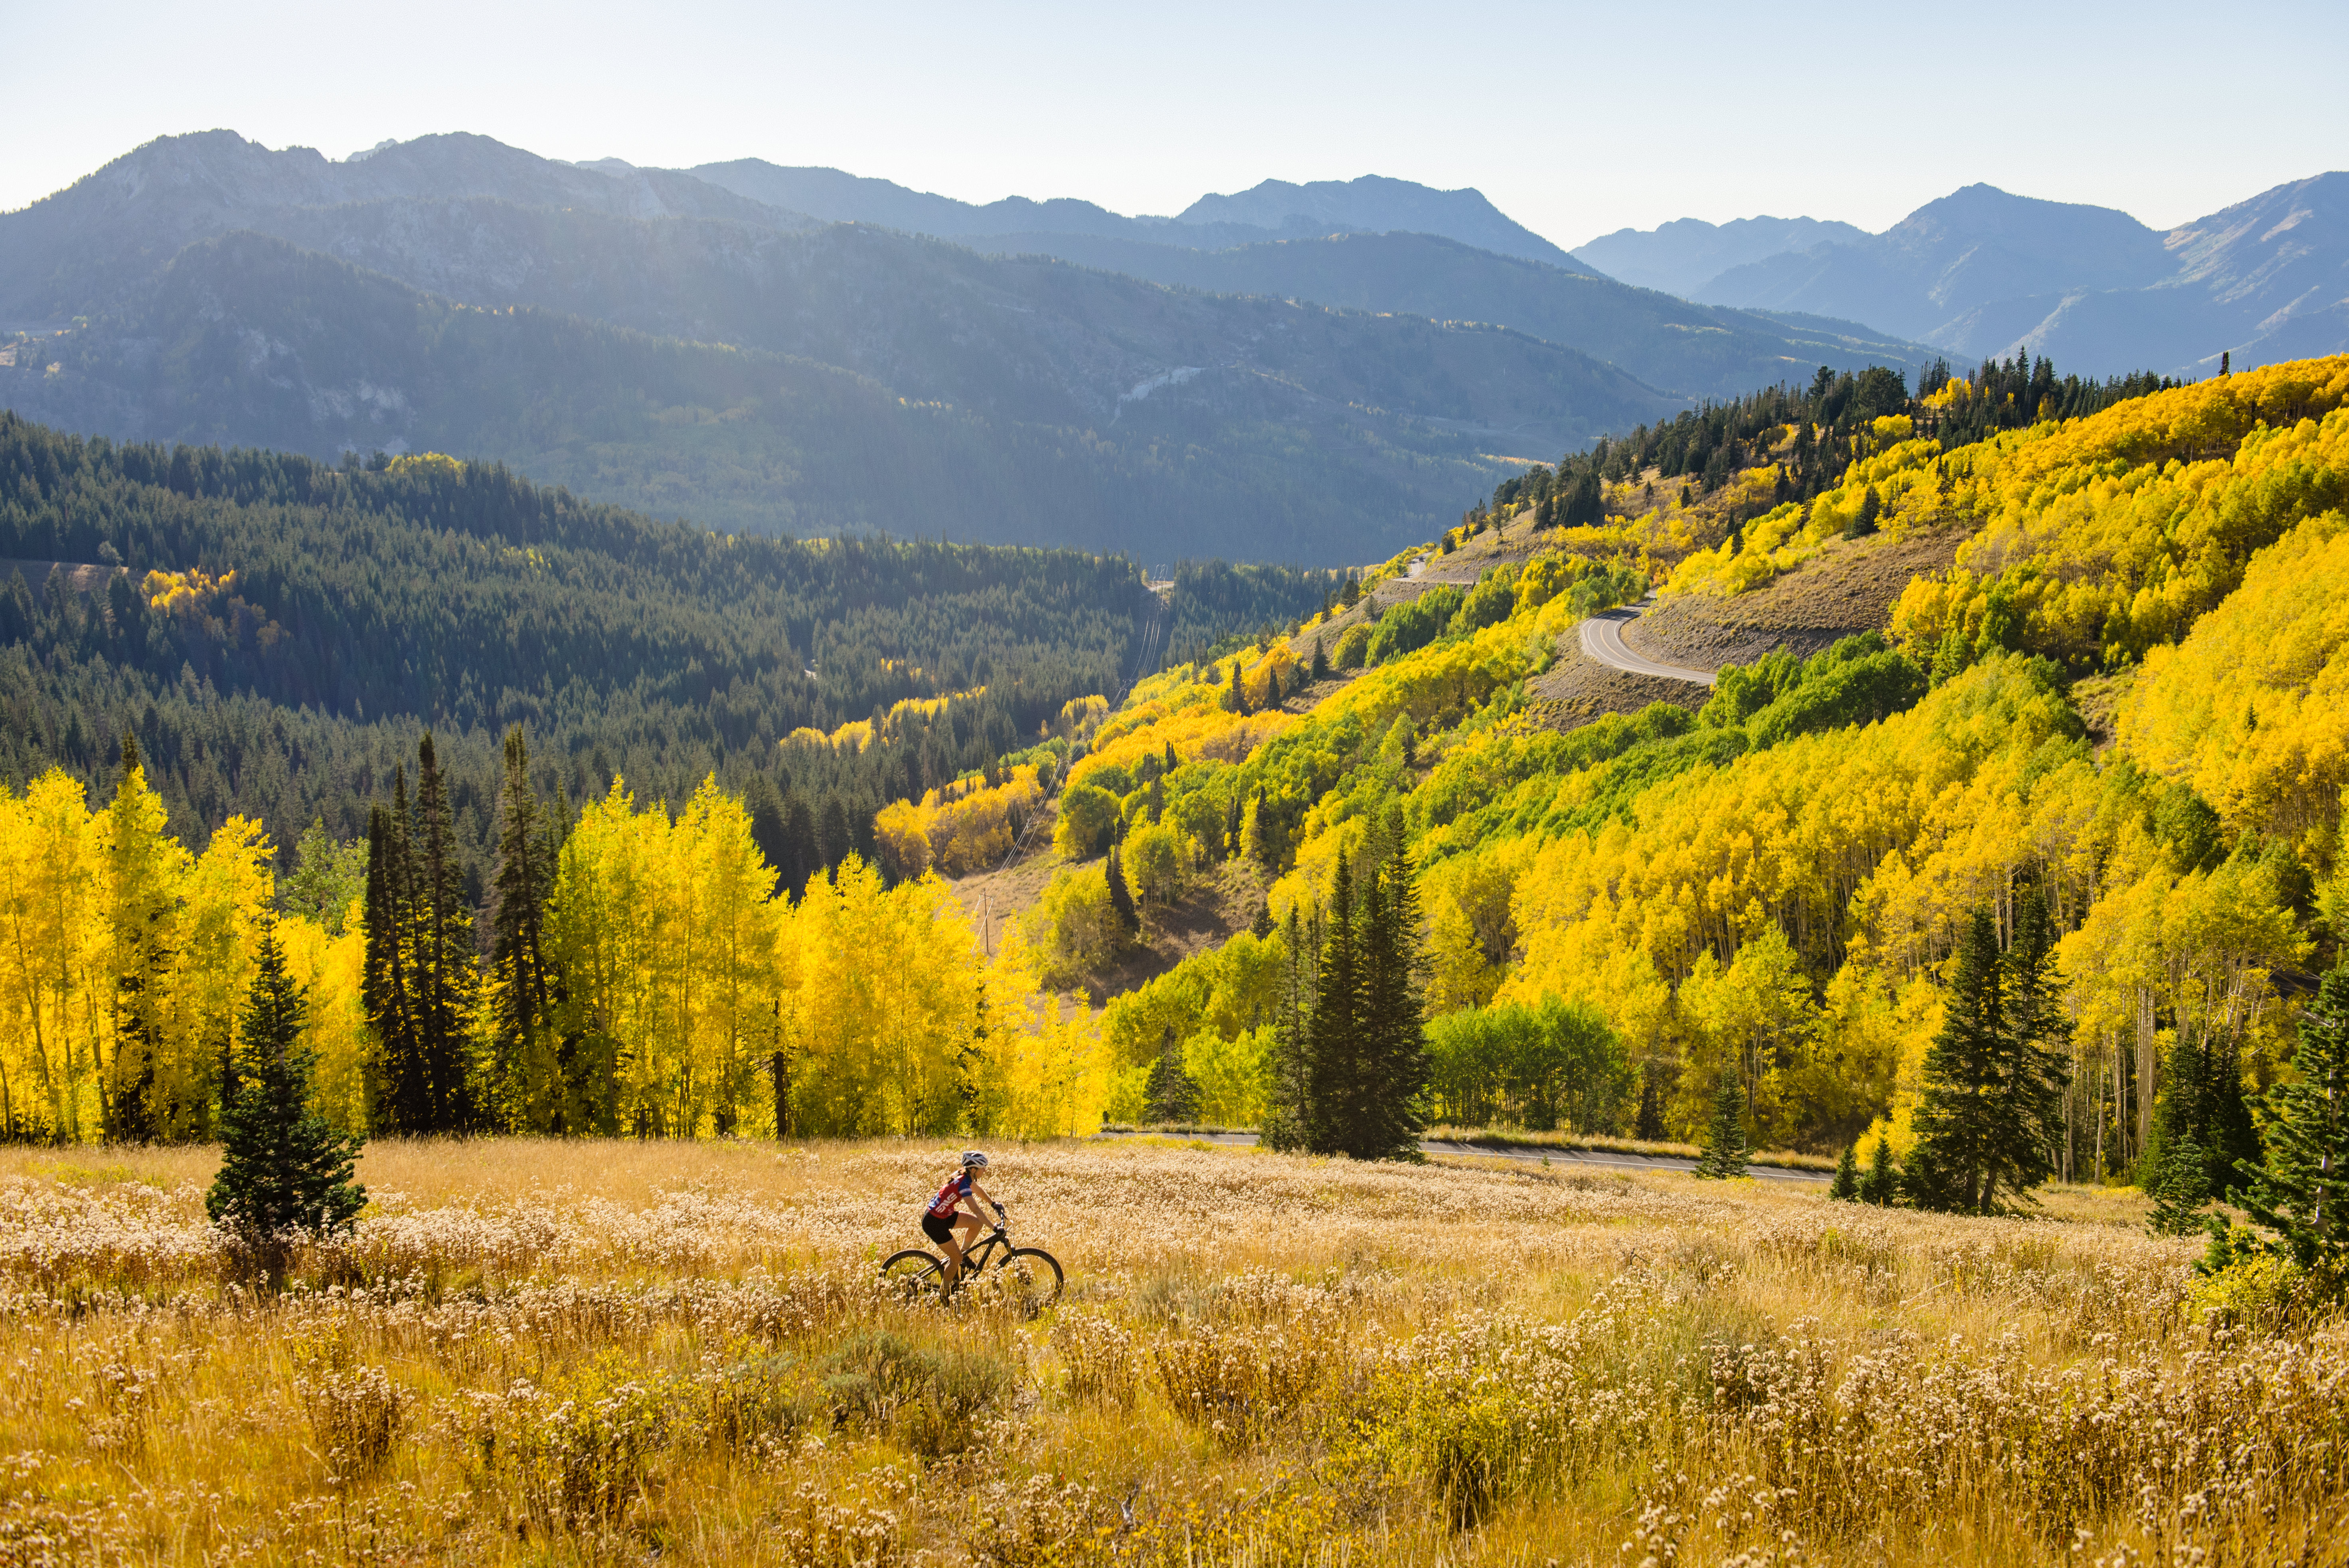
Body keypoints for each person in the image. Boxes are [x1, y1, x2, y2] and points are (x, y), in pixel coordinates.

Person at [921, 1149, 1001, 1291]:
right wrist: (994, 1228)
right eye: (982, 1168)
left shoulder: (965, 1176)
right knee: (956, 1259)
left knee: (976, 1224)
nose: (985, 1171)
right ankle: (945, 1293)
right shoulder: (963, 1184)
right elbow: (976, 1210)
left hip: (944, 1215)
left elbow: (978, 1190)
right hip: (934, 1222)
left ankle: (964, 1254)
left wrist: (993, 1204)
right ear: (973, 1170)